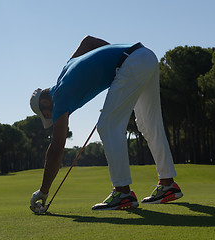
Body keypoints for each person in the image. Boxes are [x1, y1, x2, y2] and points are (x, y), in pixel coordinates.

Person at [30, 35, 183, 211]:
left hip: (132, 62)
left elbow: (56, 147)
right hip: (145, 55)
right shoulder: (66, 69)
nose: (54, 118)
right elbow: (89, 41)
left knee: (108, 126)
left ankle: (122, 194)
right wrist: (118, 64)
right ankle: (167, 184)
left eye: (48, 114)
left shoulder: (59, 98)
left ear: (44, 103)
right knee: (148, 124)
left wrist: (43, 190)